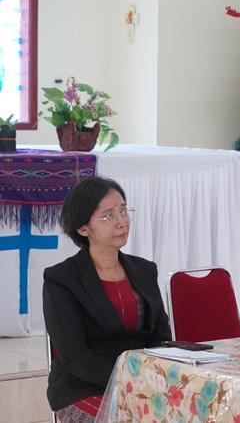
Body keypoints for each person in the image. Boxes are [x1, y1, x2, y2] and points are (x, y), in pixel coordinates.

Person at [43, 177, 171, 422]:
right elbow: (74, 356)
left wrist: (154, 380)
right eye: (109, 216)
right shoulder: (61, 279)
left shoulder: (145, 270)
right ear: (83, 228)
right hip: (83, 387)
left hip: (142, 384)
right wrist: (131, 381)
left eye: (123, 211)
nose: (122, 221)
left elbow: (161, 337)